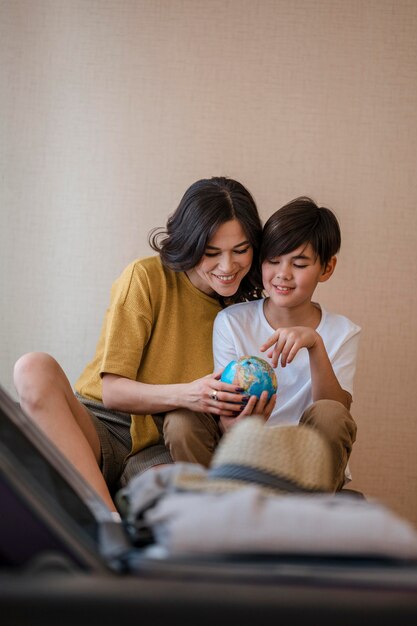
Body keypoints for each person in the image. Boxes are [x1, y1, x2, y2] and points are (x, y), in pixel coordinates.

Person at [13, 176, 264, 512]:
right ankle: (107, 523)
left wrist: (235, 424)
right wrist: (189, 393)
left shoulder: (246, 313)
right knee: (32, 368)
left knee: (172, 490)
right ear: (190, 243)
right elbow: (113, 392)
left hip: (162, 443)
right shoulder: (146, 278)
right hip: (102, 425)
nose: (227, 266)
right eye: (211, 252)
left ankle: (120, 514)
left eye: (241, 250)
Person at [171, 196, 360, 491]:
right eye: (273, 261)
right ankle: (210, 509)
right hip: (240, 449)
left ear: (327, 268)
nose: (283, 274)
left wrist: (315, 345)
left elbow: (337, 414)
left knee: (332, 413)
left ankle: (304, 519)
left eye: (299, 264)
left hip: (305, 464)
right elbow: (224, 408)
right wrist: (237, 428)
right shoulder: (232, 321)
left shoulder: (342, 331)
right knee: (182, 419)